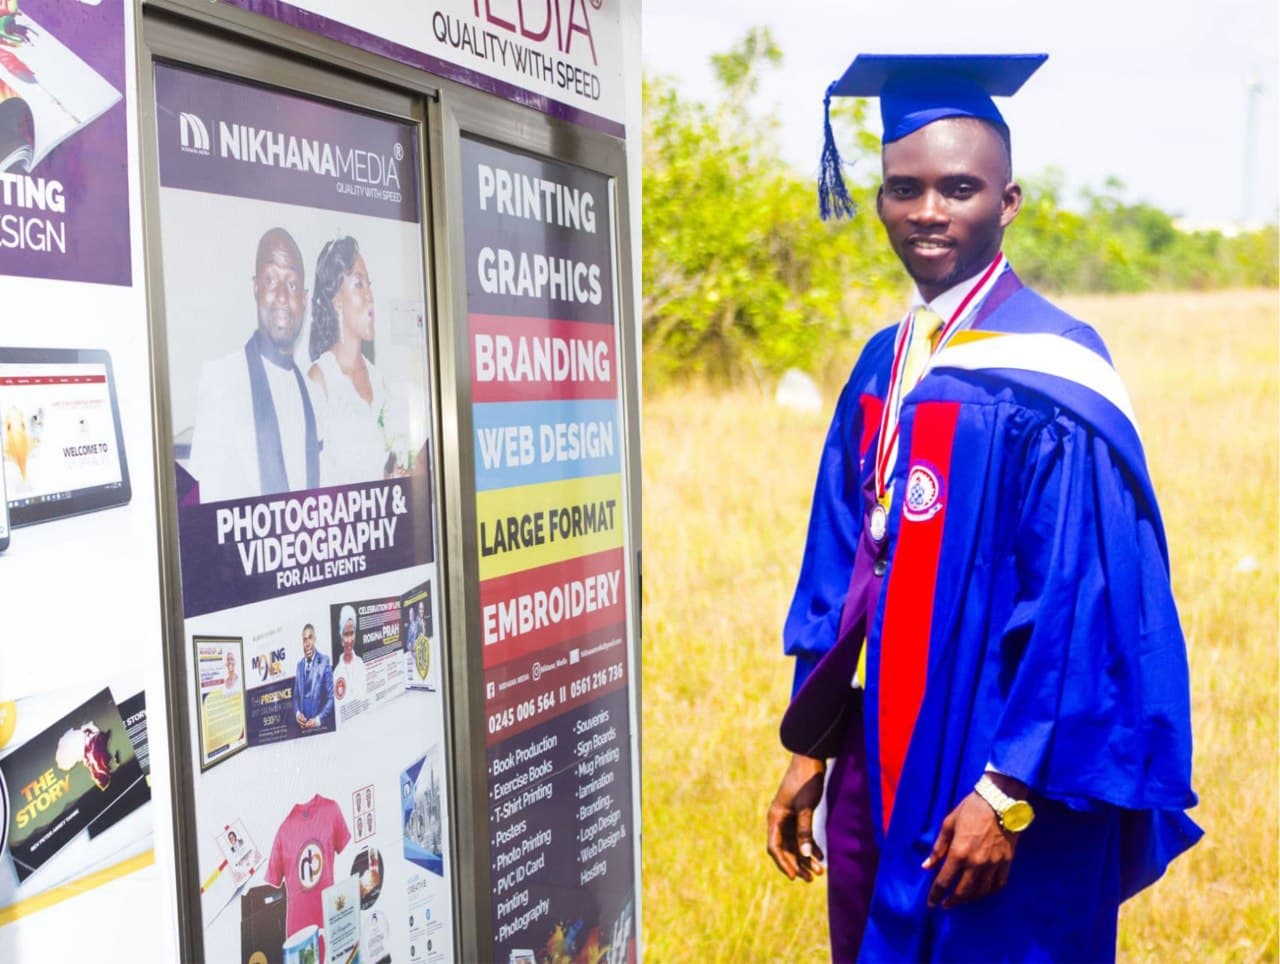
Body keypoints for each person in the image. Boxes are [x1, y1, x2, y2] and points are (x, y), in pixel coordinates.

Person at [765, 54, 1200, 962]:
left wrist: (1007, 792)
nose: (928, 212)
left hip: (996, 746)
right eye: (903, 189)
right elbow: (839, 562)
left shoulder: (1055, 378)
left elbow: (1083, 608)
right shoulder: (886, 363)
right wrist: (811, 742)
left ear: (1008, 202)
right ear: (878, 199)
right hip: (881, 741)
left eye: (959, 189)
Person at [188, 228, 321, 502]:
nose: (283, 296)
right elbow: (203, 501)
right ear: (256, 288)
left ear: (305, 300)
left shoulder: (314, 394)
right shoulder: (222, 380)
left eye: (293, 284)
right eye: (271, 280)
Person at [307, 236, 395, 486]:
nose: (370, 296)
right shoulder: (320, 380)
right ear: (336, 299)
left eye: (369, 285)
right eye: (359, 284)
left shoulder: (378, 380)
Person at [293, 622, 333, 731]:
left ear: (315, 639)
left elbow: (331, 698)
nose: (307, 643)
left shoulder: (324, 661)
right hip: (302, 729)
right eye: (304, 639)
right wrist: (297, 714)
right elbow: (295, 697)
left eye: (310, 638)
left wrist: (318, 720)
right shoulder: (299, 665)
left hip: (319, 729)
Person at [333, 604, 367, 704]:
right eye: (346, 634)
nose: (349, 640)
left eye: (352, 633)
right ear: (341, 637)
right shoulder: (336, 672)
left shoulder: (361, 664)